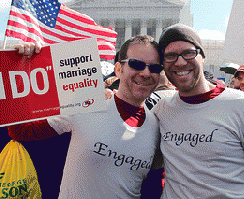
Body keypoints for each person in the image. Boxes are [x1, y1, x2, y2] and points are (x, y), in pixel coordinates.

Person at [8, 35, 164, 199]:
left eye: (154, 68)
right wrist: (19, 69)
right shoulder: (85, 102)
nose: (146, 73)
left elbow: (151, 187)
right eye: (136, 64)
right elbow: (21, 131)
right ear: (118, 69)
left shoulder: (156, 125)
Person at [154, 23, 244, 198]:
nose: (180, 62)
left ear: (202, 56)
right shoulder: (161, 110)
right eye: (170, 56)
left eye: (188, 53)